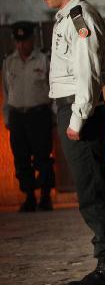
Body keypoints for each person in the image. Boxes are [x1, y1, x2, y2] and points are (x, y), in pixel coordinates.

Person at [33, 0, 105, 285]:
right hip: (73, 107)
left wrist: (78, 118)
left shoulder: (78, 18)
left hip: (79, 109)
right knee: (91, 189)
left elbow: (88, 73)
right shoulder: (64, 18)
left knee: (94, 190)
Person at [2, 21, 54, 212]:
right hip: (18, 117)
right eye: (18, 41)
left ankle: (46, 196)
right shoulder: (9, 62)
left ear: (33, 40)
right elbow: (7, 92)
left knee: (43, 157)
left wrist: (54, 115)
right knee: (21, 159)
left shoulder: (43, 60)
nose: (21, 45)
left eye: (25, 41)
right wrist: (7, 117)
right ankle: (30, 196)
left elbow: (53, 88)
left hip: (39, 114)